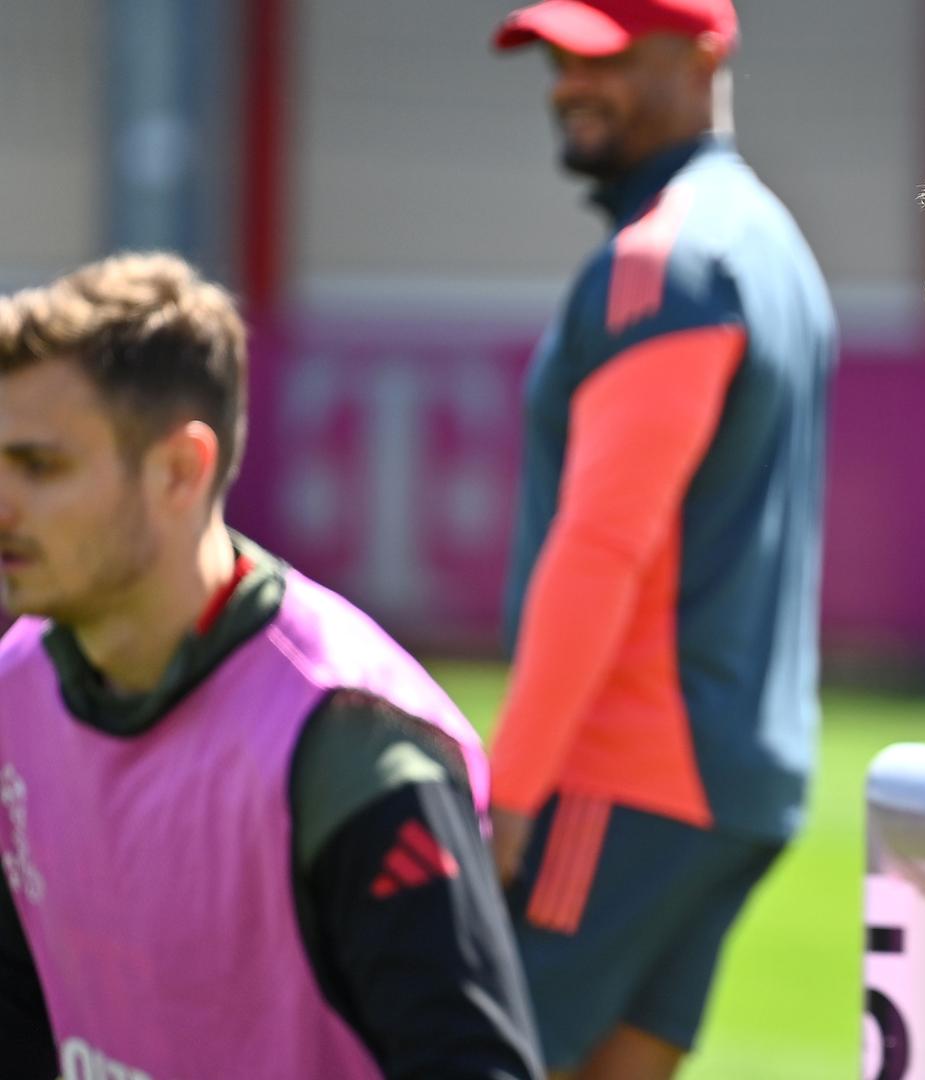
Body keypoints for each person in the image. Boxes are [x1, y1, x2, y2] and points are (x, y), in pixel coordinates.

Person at [0, 253, 541, 1079]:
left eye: (41, 468)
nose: (4, 502)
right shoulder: (13, 695)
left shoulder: (352, 749)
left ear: (180, 471)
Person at [488, 0, 835, 1076]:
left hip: (628, 767)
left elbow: (602, 548)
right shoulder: (769, 243)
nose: (566, 85)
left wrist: (510, 792)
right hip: (741, 778)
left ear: (702, 58)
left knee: (462, 1056)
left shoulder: (663, 261)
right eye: (556, 58)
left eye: (603, 57)